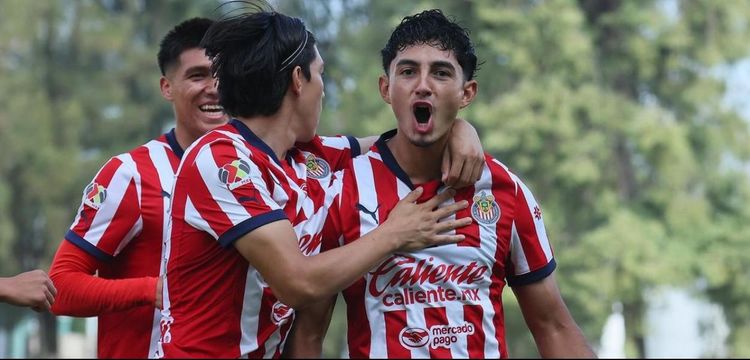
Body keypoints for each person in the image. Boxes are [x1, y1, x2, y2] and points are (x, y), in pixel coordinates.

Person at [156, 8, 483, 358]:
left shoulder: (308, 157)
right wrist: (393, 234)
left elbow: (403, 144)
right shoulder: (221, 159)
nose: (324, 91)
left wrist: (462, 129)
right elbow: (298, 283)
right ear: (299, 79)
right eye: (320, 75)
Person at [285, 9, 597, 359]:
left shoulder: (503, 189)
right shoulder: (343, 190)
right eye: (407, 71)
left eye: (441, 73)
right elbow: (309, 334)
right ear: (386, 89)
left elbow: (553, 326)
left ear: (467, 93)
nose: (423, 85)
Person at [47, 17, 229, 358]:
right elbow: (59, 288)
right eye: (197, 75)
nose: (214, 87)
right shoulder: (130, 174)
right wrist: (155, 290)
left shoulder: (264, 174)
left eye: (223, 74)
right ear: (167, 88)